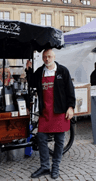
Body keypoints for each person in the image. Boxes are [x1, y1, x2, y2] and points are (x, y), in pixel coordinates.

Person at [26, 49, 75, 179]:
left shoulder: (62, 71)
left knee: (59, 140)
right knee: (41, 137)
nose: (46, 59)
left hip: (59, 111)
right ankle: (45, 167)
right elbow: (31, 83)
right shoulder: (40, 71)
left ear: (54, 56)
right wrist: (29, 70)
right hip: (45, 111)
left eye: (49, 56)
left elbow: (70, 90)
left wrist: (70, 107)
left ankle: (56, 167)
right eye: (44, 57)